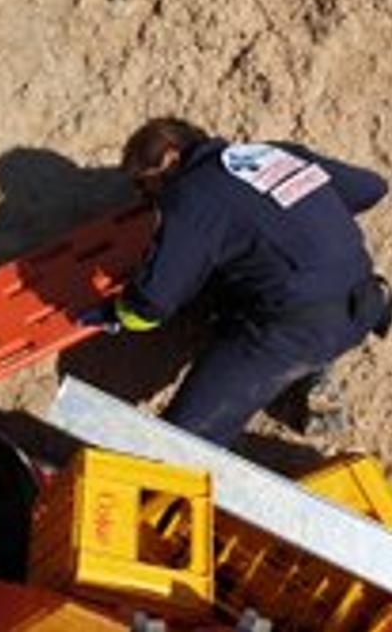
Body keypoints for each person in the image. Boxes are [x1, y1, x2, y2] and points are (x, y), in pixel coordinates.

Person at [89, 117, 390, 446]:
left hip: (294, 330)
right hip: (365, 301)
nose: (146, 199)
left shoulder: (190, 195)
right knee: (232, 280)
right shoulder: (272, 155)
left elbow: (152, 304)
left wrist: (117, 313)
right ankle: (303, 375)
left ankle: (297, 371)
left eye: (145, 187)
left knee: (181, 445)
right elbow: (372, 188)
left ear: (169, 160)